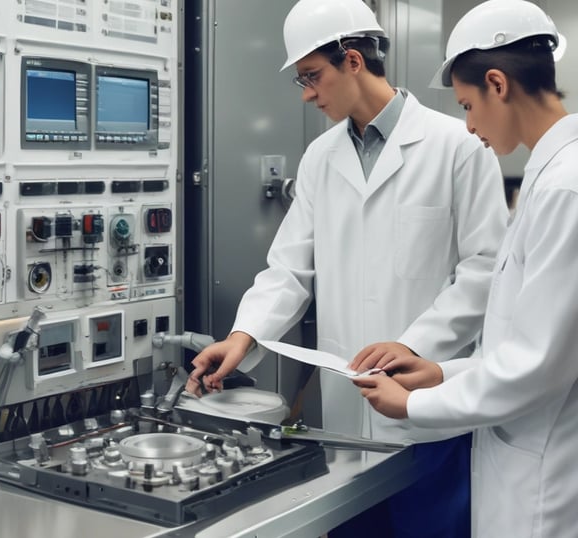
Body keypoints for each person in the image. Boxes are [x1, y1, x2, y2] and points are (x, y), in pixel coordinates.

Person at [184, 0, 509, 536]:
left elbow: (485, 267)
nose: (308, 94)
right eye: (302, 82)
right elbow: (289, 269)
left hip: (427, 411)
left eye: (313, 77)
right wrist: (243, 337)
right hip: (342, 418)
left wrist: (415, 343)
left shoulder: (457, 147)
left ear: (353, 61)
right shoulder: (320, 156)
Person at [353, 1, 578, 537]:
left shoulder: (565, 189)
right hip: (522, 459)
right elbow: (519, 343)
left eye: (467, 105)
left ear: (498, 84)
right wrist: (441, 372)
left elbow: (537, 365)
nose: (469, 126)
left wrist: (416, 404)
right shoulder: (548, 179)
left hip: (545, 483)